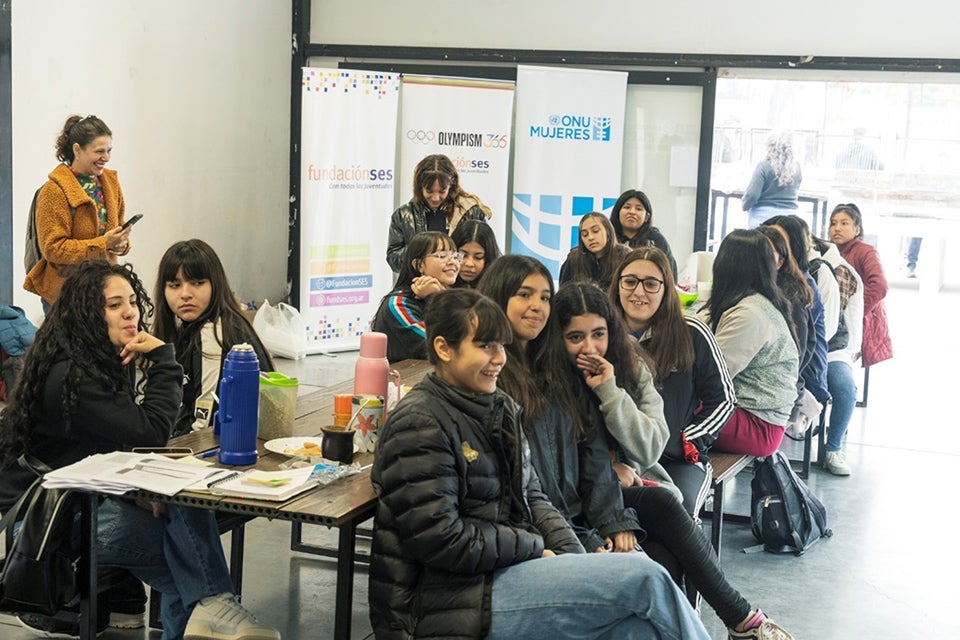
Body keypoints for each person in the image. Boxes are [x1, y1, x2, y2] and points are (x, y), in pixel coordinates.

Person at [368, 286, 710, 640]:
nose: (499, 358)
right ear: (443, 348)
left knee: (637, 630)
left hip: (503, 573)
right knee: (645, 577)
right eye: (485, 346)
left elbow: (534, 498)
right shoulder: (421, 421)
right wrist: (534, 547)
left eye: (502, 345)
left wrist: (574, 562)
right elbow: (442, 540)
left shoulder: (498, 406)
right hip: (452, 600)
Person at [0, 260, 279, 640]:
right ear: (87, 313)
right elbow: (149, 430)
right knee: (185, 554)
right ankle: (215, 602)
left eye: (131, 301)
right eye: (115, 305)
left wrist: (136, 494)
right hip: (52, 523)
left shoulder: (97, 360)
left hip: (88, 501)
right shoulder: (71, 375)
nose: (130, 311)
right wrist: (165, 361)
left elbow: (119, 446)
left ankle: (211, 606)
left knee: (183, 516)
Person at [551, 281, 794, 640]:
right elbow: (558, 461)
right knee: (665, 515)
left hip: (638, 481)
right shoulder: (550, 378)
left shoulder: (634, 360)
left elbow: (651, 447)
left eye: (598, 334)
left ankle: (735, 623)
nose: (589, 348)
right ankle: (742, 621)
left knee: (667, 553)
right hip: (585, 499)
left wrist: (609, 390)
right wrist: (610, 473)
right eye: (575, 338)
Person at [609, 247, 736, 515]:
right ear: (617, 284)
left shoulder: (692, 332)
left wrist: (687, 440)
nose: (639, 292)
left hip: (677, 462)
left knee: (679, 515)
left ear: (666, 288)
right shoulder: (602, 335)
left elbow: (723, 400)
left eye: (651, 284)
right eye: (630, 281)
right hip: (618, 459)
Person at [152, 239, 275, 437]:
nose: (185, 294)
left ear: (215, 284)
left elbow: (204, 419)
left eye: (197, 283)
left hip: (230, 444)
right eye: (175, 285)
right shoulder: (196, 326)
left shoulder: (213, 332)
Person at [698, 229, 800, 457]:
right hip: (755, 416)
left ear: (726, 265)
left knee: (667, 405)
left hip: (758, 425)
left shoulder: (749, 314)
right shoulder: (755, 303)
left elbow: (712, 375)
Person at [24, 115, 134, 310]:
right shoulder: (54, 191)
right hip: (66, 296)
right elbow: (53, 249)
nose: (106, 158)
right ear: (77, 149)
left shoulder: (111, 183)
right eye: (99, 151)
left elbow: (117, 226)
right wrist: (103, 244)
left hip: (104, 292)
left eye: (109, 151)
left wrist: (122, 244)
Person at [811, 235, 864, 476]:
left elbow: (831, 324)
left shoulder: (835, 271)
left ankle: (833, 448)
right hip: (802, 343)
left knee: (844, 388)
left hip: (832, 346)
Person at [386, 154, 491, 272]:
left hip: (459, 287)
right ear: (420, 187)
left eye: (442, 191)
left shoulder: (470, 211)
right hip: (418, 285)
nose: (435, 198)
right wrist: (422, 251)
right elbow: (393, 259)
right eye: (429, 191)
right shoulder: (403, 215)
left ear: (451, 185)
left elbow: (487, 253)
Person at [372, 231, 460, 362]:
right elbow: (442, 348)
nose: (452, 262)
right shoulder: (399, 303)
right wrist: (436, 297)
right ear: (419, 265)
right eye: (442, 256)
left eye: (455, 256)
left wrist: (438, 295)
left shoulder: (447, 293)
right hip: (404, 380)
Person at [829, 203, 893, 369]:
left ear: (857, 230)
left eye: (844, 223)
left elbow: (880, 286)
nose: (837, 228)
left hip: (862, 318)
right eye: (833, 223)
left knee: (840, 364)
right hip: (838, 318)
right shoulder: (830, 251)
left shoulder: (865, 251)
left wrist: (854, 311)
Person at [608, 189, 678, 278]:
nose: (632, 212)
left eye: (638, 209)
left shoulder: (656, 240)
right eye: (627, 207)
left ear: (647, 217)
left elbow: (670, 274)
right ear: (617, 212)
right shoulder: (608, 238)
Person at [742, 131, 802, 229]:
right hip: (790, 218)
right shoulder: (797, 168)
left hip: (762, 218)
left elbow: (752, 195)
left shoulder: (763, 166)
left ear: (770, 146)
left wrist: (745, 206)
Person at [558, 212, 629, 290]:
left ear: (608, 232)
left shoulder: (624, 256)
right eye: (585, 234)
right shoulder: (574, 258)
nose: (590, 237)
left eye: (595, 231)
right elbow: (564, 293)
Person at [450, 218, 502, 288]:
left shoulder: (499, 288)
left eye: (478, 257)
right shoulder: (438, 286)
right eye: (463, 255)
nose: (469, 264)